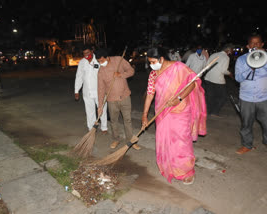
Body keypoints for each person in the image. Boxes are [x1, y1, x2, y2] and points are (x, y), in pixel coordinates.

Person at [141, 47, 207, 185]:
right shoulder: (153, 74)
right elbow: (150, 94)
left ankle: (186, 171)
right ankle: (171, 166)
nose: (152, 65)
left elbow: (192, 83)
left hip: (180, 110)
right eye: (150, 63)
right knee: (165, 140)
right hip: (162, 111)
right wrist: (144, 115)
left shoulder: (179, 68)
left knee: (181, 141)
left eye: (153, 62)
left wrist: (179, 98)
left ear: (162, 59)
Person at [95, 48, 140, 150]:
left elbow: (131, 71)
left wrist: (121, 75)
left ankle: (130, 141)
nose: (100, 63)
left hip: (125, 96)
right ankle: (116, 139)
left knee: (127, 120)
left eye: (101, 60)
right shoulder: (101, 72)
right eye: (98, 61)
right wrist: (100, 105)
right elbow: (101, 89)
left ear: (107, 57)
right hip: (111, 99)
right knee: (114, 121)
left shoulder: (118, 60)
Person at [234, 34, 267, 154]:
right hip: (246, 97)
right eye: (252, 43)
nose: (255, 45)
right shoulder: (242, 60)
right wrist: (251, 67)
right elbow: (238, 78)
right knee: (246, 123)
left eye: (258, 43)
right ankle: (247, 145)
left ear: (262, 45)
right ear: (248, 46)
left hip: (264, 97)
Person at [75, 45, 108, 133]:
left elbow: (106, 74)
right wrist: (76, 90)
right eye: (84, 53)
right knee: (89, 111)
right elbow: (79, 76)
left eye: (88, 53)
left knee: (102, 109)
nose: (86, 55)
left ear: (92, 51)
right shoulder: (82, 62)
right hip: (87, 91)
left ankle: (104, 127)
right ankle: (91, 128)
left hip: (99, 91)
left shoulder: (99, 60)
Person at [204, 44, 234, 117]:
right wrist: (230, 74)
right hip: (218, 80)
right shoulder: (226, 57)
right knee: (222, 97)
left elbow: (207, 65)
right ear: (228, 50)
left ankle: (209, 111)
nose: (232, 52)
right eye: (232, 50)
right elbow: (224, 70)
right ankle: (214, 112)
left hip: (208, 77)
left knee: (210, 96)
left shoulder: (214, 54)